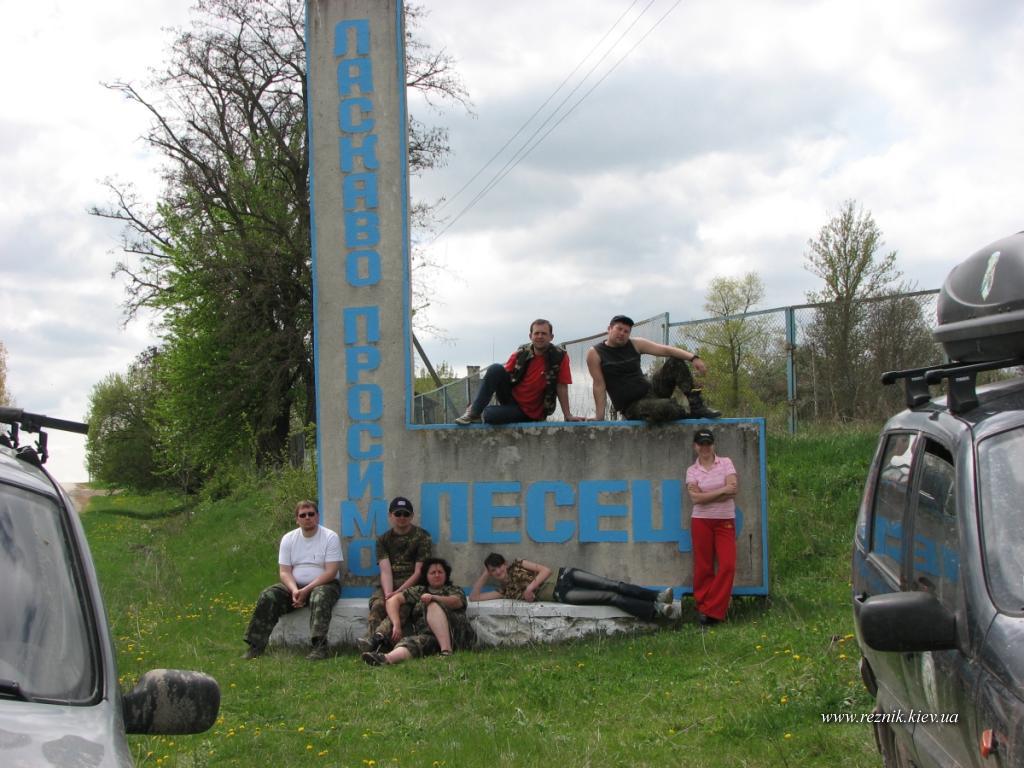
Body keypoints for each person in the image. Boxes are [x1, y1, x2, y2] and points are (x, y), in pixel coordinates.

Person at [242, 500, 342, 660]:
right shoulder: (288, 539)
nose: (307, 518)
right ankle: (256, 646)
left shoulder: (330, 537)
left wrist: (306, 590)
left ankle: (319, 647)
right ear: (297, 519)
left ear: (317, 516)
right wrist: (295, 590)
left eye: (311, 514)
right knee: (268, 595)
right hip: (294, 586)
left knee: (320, 596)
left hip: (325, 584)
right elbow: (284, 572)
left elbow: (331, 571)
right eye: (303, 515)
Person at [586, 314, 720, 422]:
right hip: (632, 405)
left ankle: (696, 406)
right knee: (666, 407)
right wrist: (599, 416)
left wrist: (693, 358)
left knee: (675, 361)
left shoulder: (635, 344)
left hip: (651, 390)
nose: (622, 333)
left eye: (626, 331)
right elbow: (599, 385)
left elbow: (666, 350)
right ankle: (682, 413)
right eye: (619, 329)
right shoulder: (595, 353)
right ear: (609, 329)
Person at [469, 553, 677, 621]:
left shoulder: (518, 564)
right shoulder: (503, 591)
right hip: (562, 593)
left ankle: (657, 596)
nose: (498, 571)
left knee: (614, 584)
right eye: (493, 570)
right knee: (609, 596)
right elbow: (475, 597)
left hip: (566, 575)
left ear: (504, 564)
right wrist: (485, 573)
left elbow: (546, 570)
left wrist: (530, 588)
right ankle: (656, 610)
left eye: (499, 566)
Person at [454, 319, 584, 424]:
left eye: (544, 333)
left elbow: (562, 386)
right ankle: (474, 413)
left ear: (551, 337)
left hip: (531, 412)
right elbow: (499, 377)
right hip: (511, 401)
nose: (540, 336)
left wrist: (567, 415)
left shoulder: (559, 357)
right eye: (536, 333)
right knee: (495, 368)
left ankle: (484, 413)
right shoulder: (522, 353)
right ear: (530, 336)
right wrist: (478, 403)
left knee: (489, 414)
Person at [362, 557, 476, 666]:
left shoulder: (453, 589)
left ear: (446, 575)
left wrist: (434, 597)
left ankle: (446, 651)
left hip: (455, 634)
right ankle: (385, 658)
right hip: (430, 635)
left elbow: (457, 602)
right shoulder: (419, 590)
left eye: (440, 572)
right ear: (426, 576)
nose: (437, 575)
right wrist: (396, 624)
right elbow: (393, 600)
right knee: (413, 643)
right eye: (433, 573)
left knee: (432, 605)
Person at [358, 496, 433, 653]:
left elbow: (419, 572)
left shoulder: (422, 536)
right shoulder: (383, 539)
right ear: (390, 515)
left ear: (411, 516)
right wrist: (388, 594)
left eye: (406, 514)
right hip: (390, 584)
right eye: (398, 513)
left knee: (401, 608)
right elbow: (385, 571)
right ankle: (372, 641)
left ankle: (376, 639)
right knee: (378, 605)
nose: (402, 517)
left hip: (412, 584)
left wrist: (397, 593)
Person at [685, 428, 738, 626]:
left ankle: (711, 609)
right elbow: (695, 499)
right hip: (701, 521)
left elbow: (734, 490)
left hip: (725, 520)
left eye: (708, 443)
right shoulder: (692, 470)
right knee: (703, 566)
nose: (705, 447)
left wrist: (705, 495)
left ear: (713, 445)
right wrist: (722, 490)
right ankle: (703, 608)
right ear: (695, 446)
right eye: (701, 444)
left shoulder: (726, 463)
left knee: (727, 565)